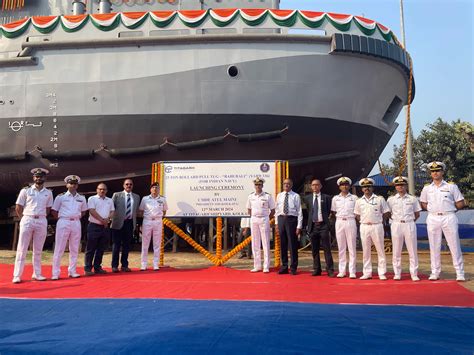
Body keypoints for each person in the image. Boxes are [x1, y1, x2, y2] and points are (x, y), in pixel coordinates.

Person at [420, 161, 466, 281]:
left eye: (438, 171)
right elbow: (423, 203)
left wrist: (450, 210)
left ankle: (460, 272)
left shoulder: (451, 186)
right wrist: (433, 210)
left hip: (448, 217)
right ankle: (435, 272)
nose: (435, 173)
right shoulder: (427, 188)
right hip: (433, 217)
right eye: (433, 171)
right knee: (434, 246)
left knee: (454, 245)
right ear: (430, 173)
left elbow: (460, 202)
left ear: (442, 172)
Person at [12, 168, 53, 284]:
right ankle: (17, 275)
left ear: (45, 178)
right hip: (28, 219)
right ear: (33, 178)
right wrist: (23, 219)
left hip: (41, 220)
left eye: (41, 176)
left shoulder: (48, 193)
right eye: (36, 176)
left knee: (38, 249)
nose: (38, 178)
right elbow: (18, 207)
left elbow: (48, 209)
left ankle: (37, 273)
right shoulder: (25, 191)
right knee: (22, 248)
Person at [51, 175, 88, 280]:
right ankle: (55, 273)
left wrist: (74, 217)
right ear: (67, 185)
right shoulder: (60, 197)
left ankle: (72, 271)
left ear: (77, 185)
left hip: (76, 222)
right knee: (59, 248)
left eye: (75, 184)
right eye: (71, 183)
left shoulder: (81, 198)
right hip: (63, 221)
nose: (73, 185)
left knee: (75, 248)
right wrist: (62, 218)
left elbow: (84, 211)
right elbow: (54, 210)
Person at [354, 178, 390, 280]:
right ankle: (367, 272)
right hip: (364, 226)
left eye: (369, 186)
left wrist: (379, 220)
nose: (367, 188)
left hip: (377, 226)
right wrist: (364, 221)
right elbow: (357, 215)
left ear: (372, 187)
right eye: (364, 187)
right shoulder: (359, 201)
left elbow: (386, 212)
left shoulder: (380, 199)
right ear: (362, 189)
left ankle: (382, 272)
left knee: (380, 250)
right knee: (366, 251)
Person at [387, 176, 422, 281]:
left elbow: (417, 214)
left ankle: (414, 273)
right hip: (396, 224)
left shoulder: (412, 199)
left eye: (402, 185)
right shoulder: (391, 199)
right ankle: (397, 273)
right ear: (395, 187)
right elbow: (388, 213)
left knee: (412, 250)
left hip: (409, 224)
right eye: (398, 185)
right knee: (396, 250)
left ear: (406, 186)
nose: (400, 186)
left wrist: (409, 221)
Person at [304, 179, 334, 277]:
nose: (315, 187)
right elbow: (309, 211)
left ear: (320, 186)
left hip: (323, 226)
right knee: (314, 249)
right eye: (313, 185)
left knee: (327, 249)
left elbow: (329, 210)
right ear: (311, 187)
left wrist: (328, 224)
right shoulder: (307, 198)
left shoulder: (326, 197)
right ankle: (317, 269)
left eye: (317, 185)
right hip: (313, 226)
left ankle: (330, 269)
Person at [84, 183, 115, 276]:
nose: (102, 191)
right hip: (94, 226)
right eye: (100, 189)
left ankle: (97, 267)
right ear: (97, 190)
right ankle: (88, 268)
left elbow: (112, 211)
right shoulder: (92, 199)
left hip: (105, 227)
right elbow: (92, 211)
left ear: (106, 190)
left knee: (101, 248)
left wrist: (108, 219)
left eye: (104, 189)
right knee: (91, 248)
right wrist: (102, 220)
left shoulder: (109, 200)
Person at [246, 177, 275, 273]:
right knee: (255, 242)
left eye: (259, 184)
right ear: (254, 186)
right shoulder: (251, 196)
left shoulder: (267, 196)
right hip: (254, 219)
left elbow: (273, 210)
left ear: (262, 185)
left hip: (264, 219)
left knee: (265, 242)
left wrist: (267, 217)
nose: (258, 186)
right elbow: (249, 209)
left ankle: (266, 266)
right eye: (256, 185)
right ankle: (257, 265)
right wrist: (253, 217)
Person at [110, 179, 140, 273]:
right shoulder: (116, 195)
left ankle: (124, 265)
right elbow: (111, 208)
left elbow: (136, 210)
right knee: (116, 245)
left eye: (130, 184)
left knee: (126, 246)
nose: (129, 186)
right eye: (127, 184)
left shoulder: (136, 196)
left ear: (133, 186)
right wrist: (110, 219)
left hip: (130, 223)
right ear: (123, 185)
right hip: (118, 223)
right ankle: (114, 266)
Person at [330, 177, 358, 279]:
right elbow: (333, 212)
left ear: (349, 186)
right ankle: (342, 270)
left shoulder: (354, 198)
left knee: (351, 247)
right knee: (341, 247)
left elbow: (357, 211)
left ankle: (352, 271)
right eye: (342, 185)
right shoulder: (335, 198)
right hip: (340, 221)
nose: (344, 186)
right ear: (339, 187)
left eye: (346, 185)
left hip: (350, 221)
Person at [275, 178, 303, 275]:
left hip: (292, 219)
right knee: (283, 244)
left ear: (291, 185)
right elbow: (277, 210)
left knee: (292, 245)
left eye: (288, 184)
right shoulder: (279, 195)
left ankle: (293, 267)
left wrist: (299, 226)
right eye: (284, 183)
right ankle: (284, 266)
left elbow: (299, 211)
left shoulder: (296, 196)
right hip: (281, 219)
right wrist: (276, 224)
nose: (286, 185)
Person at [138, 182, 168, 271]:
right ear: (150, 189)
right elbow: (141, 211)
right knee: (145, 243)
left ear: (159, 190)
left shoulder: (162, 199)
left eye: (157, 188)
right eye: (153, 187)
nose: (155, 189)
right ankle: (143, 264)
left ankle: (156, 264)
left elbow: (164, 211)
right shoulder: (145, 199)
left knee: (157, 243)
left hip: (158, 221)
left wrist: (158, 217)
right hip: (147, 221)